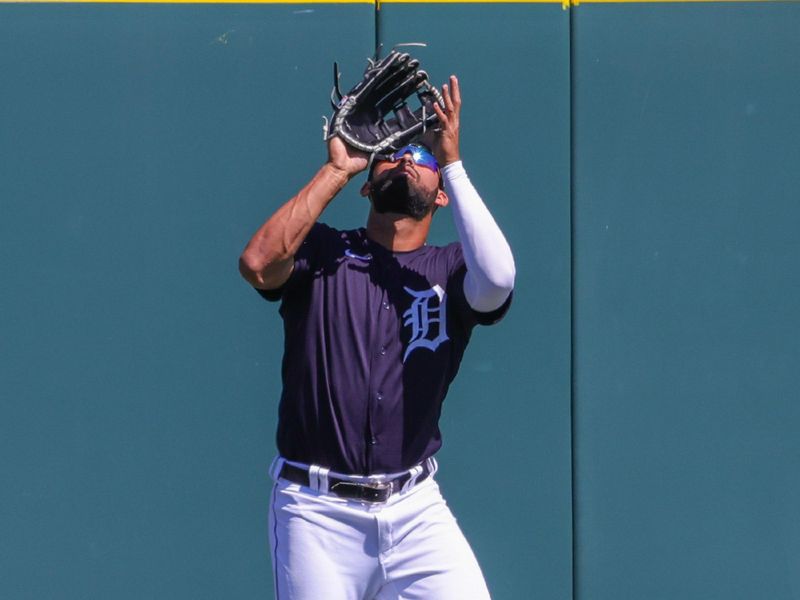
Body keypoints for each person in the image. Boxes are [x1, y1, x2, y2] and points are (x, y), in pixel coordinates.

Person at [239, 75, 515, 600]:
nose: (407, 159)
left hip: (414, 509)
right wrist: (337, 169)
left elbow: (499, 280)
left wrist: (451, 160)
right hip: (317, 512)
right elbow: (258, 263)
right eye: (391, 153)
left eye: (421, 157)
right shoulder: (322, 252)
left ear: (440, 197)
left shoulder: (452, 270)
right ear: (369, 184)